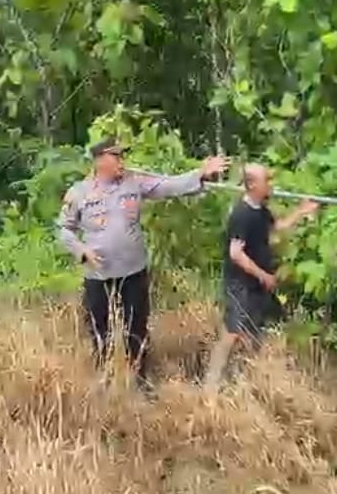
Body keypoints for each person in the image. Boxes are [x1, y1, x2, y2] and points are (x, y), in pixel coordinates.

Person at [57, 137, 229, 389]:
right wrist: (81, 251)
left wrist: (200, 174)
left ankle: (139, 381)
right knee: (99, 331)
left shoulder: (134, 181)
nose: (121, 161)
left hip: (133, 272)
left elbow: (169, 185)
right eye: (116, 156)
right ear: (100, 159)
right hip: (98, 276)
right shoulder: (79, 193)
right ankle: (105, 382)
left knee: (136, 329)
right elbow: (64, 230)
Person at [204, 163, 319, 394]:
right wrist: (264, 275)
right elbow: (236, 254)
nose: (271, 185)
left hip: (255, 285)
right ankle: (211, 385)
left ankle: (244, 382)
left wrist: (301, 212)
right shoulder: (241, 215)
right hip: (240, 284)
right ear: (253, 184)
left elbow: (277, 228)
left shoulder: (261, 211)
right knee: (232, 332)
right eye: (267, 180)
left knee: (254, 332)